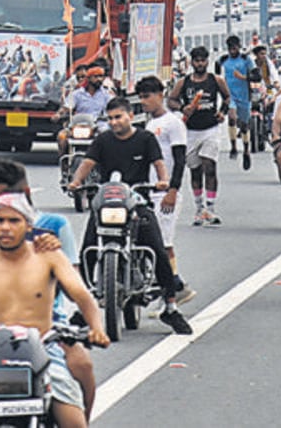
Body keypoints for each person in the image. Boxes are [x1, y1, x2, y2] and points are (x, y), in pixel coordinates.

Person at [0, 193, 109, 428]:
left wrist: (97, 329)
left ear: (28, 225)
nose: (5, 227)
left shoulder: (50, 255)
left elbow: (83, 297)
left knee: (74, 417)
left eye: (14, 221)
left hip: (43, 345)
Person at [66, 97, 195, 333]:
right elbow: (87, 162)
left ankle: (170, 306)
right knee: (87, 251)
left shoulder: (145, 138)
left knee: (158, 250)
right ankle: (83, 308)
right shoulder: (103, 140)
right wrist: (76, 181)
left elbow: (158, 163)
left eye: (118, 117)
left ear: (130, 116)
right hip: (107, 203)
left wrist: (163, 181)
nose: (114, 122)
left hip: (137, 202)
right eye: (111, 118)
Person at [136, 76, 188, 273]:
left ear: (160, 95)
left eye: (147, 96)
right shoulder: (150, 124)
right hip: (149, 190)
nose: (143, 101)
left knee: (164, 244)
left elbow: (180, 160)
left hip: (165, 193)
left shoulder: (173, 123)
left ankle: (175, 284)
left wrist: (172, 191)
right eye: (140, 97)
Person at [171, 45, 227, 226]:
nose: (200, 64)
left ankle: (210, 209)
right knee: (195, 170)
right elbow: (171, 99)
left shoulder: (215, 80)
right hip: (190, 131)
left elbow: (227, 97)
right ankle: (198, 208)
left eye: (203, 60)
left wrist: (222, 112)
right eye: (197, 61)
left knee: (209, 166)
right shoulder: (184, 82)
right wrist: (182, 108)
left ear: (207, 61)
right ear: (192, 62)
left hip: (210, 129)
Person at [218, 35, 258, 162]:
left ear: (239, 47)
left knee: (244, 125)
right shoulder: (223, 60)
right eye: (230, 48)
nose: (232, 51)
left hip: (244, 96)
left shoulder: (247, 60)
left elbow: (257, 77)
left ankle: (246, 149)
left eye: (235, 48)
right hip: (230, 96)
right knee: (232, 117)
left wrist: (243, 77)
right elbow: (217, 75)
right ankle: (233, 146)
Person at [54, 65, 112, 153]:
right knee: (61, 136)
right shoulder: (77, 94)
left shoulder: (106, 95)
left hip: (98, 125)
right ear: (88, 78)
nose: (99, 79)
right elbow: (66, 107)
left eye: (101, 76)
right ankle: (64, 160)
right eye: (95, 77)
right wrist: (58, 114)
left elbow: (113, 107)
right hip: (78, 125)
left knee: (107, 136)